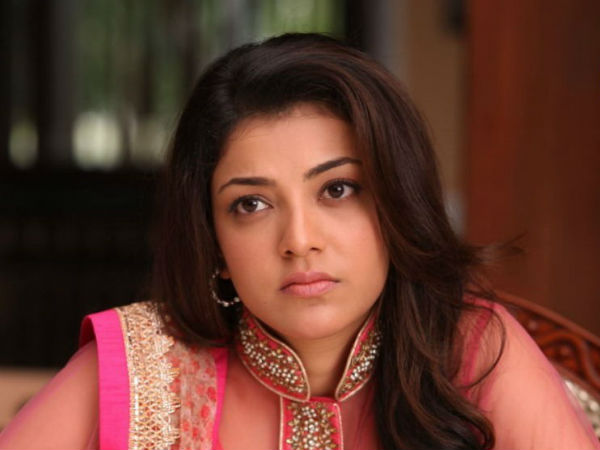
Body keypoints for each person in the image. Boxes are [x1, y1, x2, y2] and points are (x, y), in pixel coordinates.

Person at [0, 33, 598, 450]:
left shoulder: (470, 351)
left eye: (337, 189)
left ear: (395, 204)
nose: (300, 241)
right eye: (251, 204)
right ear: (214, 245)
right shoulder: (139, 369)